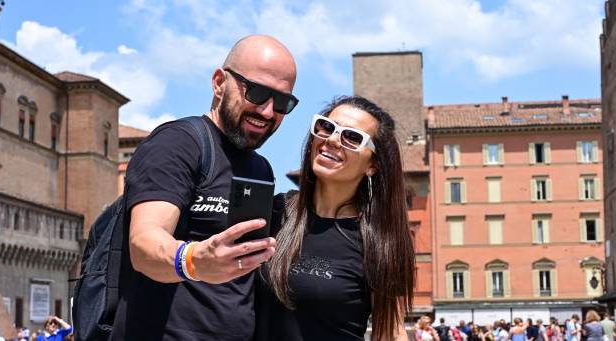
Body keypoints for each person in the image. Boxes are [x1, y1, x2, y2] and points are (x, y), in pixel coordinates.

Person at [111, 35, 299, 340]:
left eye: (282, 102)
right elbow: (144, 244)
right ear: (219, 83)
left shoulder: (261, 168)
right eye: (257, 92)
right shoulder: (177, 143)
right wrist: (192, 260)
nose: (267, 112)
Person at [254, 96, 415, 340]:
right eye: (327, 127)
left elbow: (390, 333)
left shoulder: (379, 241)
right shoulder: (275, 212)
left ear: (372, 165)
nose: (331, 139)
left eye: (352, 137)